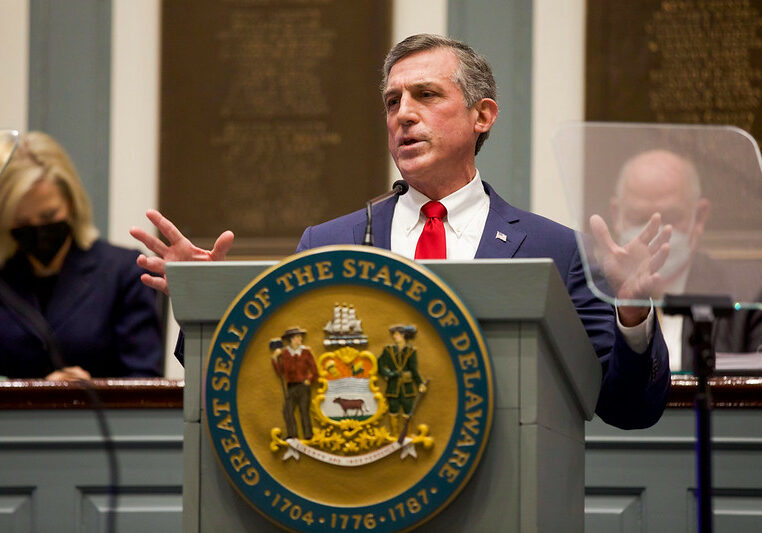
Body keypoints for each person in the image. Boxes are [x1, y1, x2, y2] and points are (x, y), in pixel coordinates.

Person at [131, 34, 670, 430]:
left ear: (483, 116)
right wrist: (207, 307)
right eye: (393, 102)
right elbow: (262, 384)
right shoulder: (328, 242)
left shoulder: (556, 248)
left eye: (426, 96)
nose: (403, 115)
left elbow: (628, 409)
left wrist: (631, 312)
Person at [0, 131, 163, 380]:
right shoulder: (4, 277)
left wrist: (92, 393)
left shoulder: (124, 272)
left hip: (101, 418)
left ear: (72, 204)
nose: (38, 231)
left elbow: (145, 380)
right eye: (22, 221)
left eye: (49, 216)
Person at [611, 149, 762, 369]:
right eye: (639, 217)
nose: (656, 231)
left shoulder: (750, 293)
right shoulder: (589, 292)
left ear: (699, 217)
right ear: (617, 215)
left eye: (670, 217)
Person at [270, 327, 318, 440]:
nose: (300, 339)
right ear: (291, 339)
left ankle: (308, 435)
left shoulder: (306, 352)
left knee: (304, 411)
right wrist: (275, 359)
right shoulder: (285, 354)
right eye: (297, 337)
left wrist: (309, 380)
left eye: (300, 337)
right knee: (288, 410)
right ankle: (292, 434)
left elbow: (315, 371)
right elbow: (280, 372)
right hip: (291, 386)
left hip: (303, 386)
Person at [378, 325, 427, 436]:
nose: (394, 337)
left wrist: (420, 383)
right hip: (393, 386)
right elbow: (380, 364)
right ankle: (395, 435)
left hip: (407, 388)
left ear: (403, 335)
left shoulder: (411, 351)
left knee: (408, 411)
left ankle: (407, 435)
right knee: (393, 410)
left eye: (396, 334)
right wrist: (388, 374)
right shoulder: (388, 350)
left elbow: (414, 370)